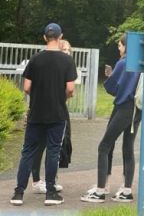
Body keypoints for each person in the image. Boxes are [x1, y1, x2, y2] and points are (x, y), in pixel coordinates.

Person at [10, 24, 77, 207]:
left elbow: (26, 87)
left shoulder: (35, 59)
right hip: (57, 114)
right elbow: (71, 89)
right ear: (60, 36)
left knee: (28, 152)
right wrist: (60, 96)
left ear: (44, 37)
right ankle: (51, 193)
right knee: (53, 152)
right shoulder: (67, 61)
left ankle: (18, 193)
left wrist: (39, 95)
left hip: (36, 113)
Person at [81, 34, 141, 203]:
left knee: (104, 146)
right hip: (137, 110)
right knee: (128, 149)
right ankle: (126, 190)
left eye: (120, 45)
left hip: (123, 108)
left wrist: (110, 75)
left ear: (126, 46)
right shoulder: (141, 64)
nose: (119, 48)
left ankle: (100, 190)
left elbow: (113, 88)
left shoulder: (123, 63)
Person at [30, 39, 73, 194]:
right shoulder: (49, 64)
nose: (67, 52)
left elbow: (69, 90)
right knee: (40, 145)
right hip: (45, 111)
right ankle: (37, 181)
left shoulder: (66, 66)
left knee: (57, 146)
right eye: (64, 49)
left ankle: (51, 180)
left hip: (59, 109)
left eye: (69, 50)